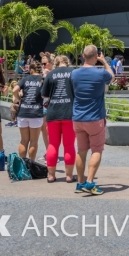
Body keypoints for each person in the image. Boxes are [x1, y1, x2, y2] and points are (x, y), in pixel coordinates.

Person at [71, 45, 113, 195]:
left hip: (78, 118)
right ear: (96, 56)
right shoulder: (101, 73)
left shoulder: (74, 73)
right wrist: (105, 62)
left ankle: (80, 182)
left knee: (81, 151)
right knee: (97, 150)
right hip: (95, 118)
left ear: (82, 56)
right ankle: (89, 182)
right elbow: (111, 76)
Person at [42, 55, 76, 183]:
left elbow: (44, 94)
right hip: (69, 113)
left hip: (53, 113)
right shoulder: (73, 73)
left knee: (53, 144)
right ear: (67, 62)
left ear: (55, 63)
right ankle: (68, 176)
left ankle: (51, 175)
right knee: (69, 145)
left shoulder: (51, 74)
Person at [13, 61, 45, 161]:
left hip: (23, 112)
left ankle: (22, 166)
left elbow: (14, 90)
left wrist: (18, 99)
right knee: (34, 141)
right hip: (36, 113)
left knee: (23, 140)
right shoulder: (42, 80)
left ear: (31, 69)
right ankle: (31, 165)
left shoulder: (25, 79)